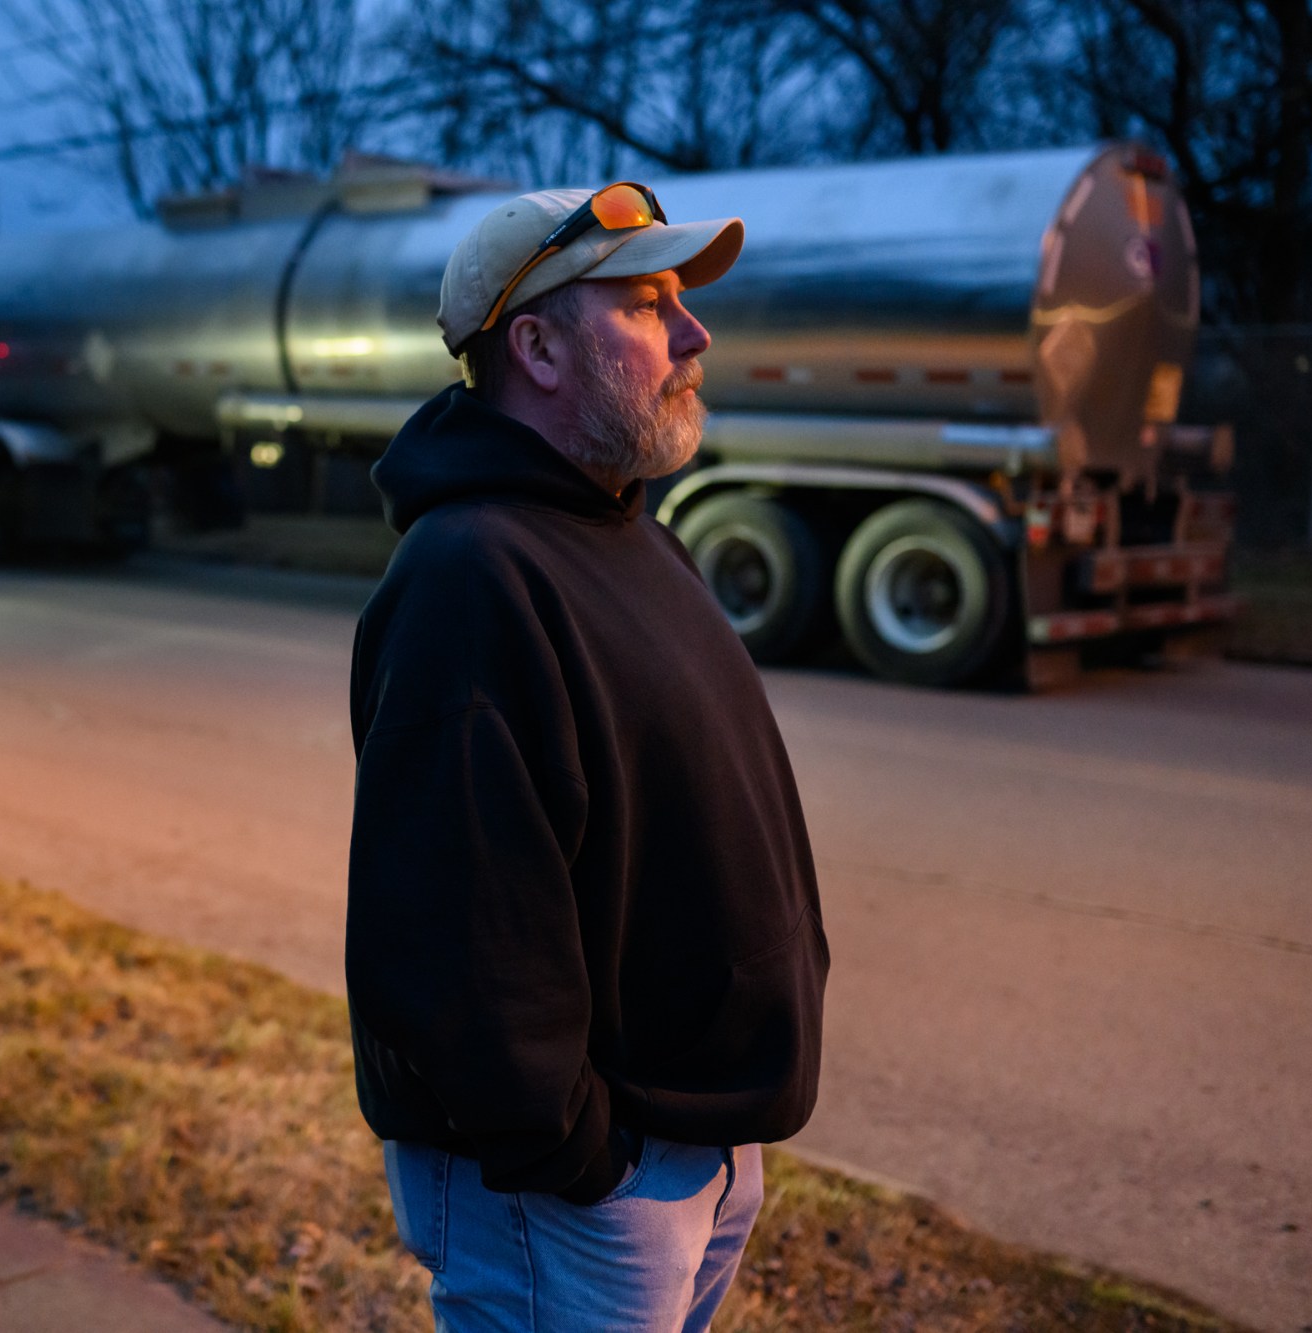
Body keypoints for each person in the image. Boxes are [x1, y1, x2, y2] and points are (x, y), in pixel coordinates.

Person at [345, 183, 830, 1332]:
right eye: (650, 303)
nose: (695, 333)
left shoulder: (623, 533)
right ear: (539, 348)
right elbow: (454, 928)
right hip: (570, 1189)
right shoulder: (469, 573)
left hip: (692, 1143)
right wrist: (576, 1154)